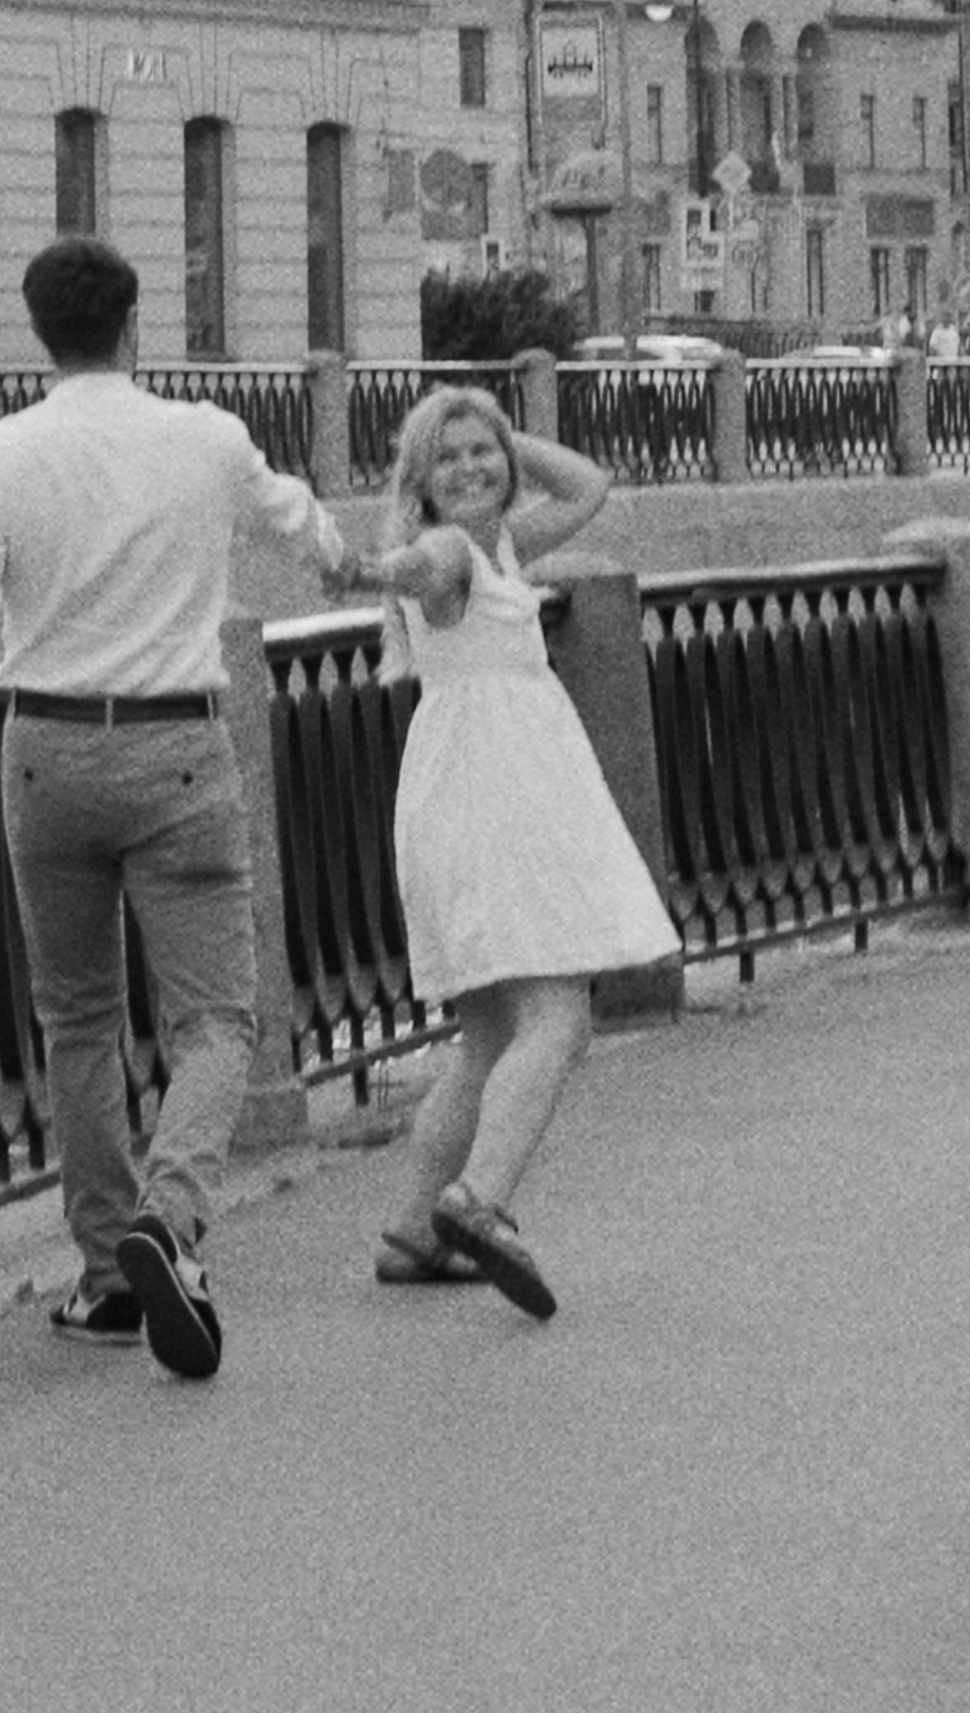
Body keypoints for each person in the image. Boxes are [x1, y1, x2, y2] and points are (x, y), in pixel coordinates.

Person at [0, 235, 355, 1380]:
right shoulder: (206, 439)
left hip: (44, 753)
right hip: (176, 751)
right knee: (215, 1021)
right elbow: (296, 520)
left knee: (78, 1021)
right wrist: (341, 554)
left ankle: (105, 1276)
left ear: (38, 333)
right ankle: (172, 1216)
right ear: (135, 326)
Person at [358, 384, 678, 1320]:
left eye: (482, 453)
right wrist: (374, 566)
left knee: (490, 1038)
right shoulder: (454, 551)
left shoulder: (502, 541)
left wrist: (496, 430)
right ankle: (478, 1202)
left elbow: (588, 486)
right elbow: (420, 564)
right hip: (498, 801)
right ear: (419, 482)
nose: (470, 469)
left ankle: (413, 1231)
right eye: (447, 458)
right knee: (558, 1020)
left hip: (472, 796)